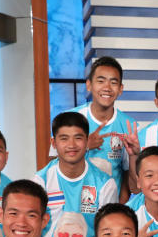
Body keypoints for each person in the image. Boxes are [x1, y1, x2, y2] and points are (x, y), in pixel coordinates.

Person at [34, 111, 120, 237]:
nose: (71, 145)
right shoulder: (40, 181)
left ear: (87, 141)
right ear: (54, 143)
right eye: (64, 139)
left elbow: (107, 234)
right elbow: (32, 232)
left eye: (78, 138)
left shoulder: (105, 184)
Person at [56, 56, 138, 199]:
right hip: (72, 203)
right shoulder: (70, 118)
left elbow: (129, 180)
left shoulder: (129, 126)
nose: (107, 88)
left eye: (113, 82)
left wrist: (119, 209)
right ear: (89, 85)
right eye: (100, 81)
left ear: (120, 89)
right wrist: (84, 146)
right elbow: (52, 162)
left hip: (110, 209)